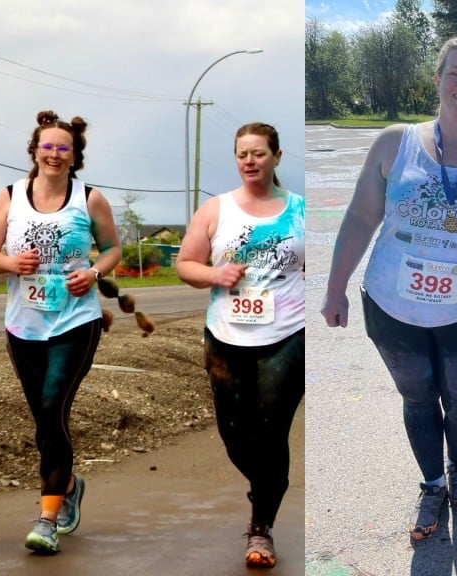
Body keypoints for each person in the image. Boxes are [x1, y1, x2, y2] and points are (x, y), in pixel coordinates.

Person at [321, 35, 457, 541]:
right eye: (455, 73)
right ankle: (431, 483)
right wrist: (335, 288)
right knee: (419, 400)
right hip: (392, 308)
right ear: (438, 80)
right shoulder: (393, 142)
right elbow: (360, 217)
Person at [0, 110, 121, 554]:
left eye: (64, 147)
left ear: (75, 155)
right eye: (48, 146)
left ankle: (47, 517)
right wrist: (8, 263)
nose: (55, 154)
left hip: (76, 320)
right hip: (24, 323)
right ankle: (70, 484)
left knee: (53, 406)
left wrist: (94, 274)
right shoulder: (10, 196)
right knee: (43, 417)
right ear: (34, 151)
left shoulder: (90, 198)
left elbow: (114, 248)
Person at [175, 122, 304, 568]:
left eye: (259, 153)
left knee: (271, 431)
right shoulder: (215, 210)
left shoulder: (299, 211)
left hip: (287, 335)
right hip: (226, 336)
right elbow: (185, 265)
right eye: (242, 154)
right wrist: (215, 275)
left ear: (277, 157)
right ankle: (269, 484)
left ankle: (261, 527)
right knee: (235, 436)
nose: (250, 161)